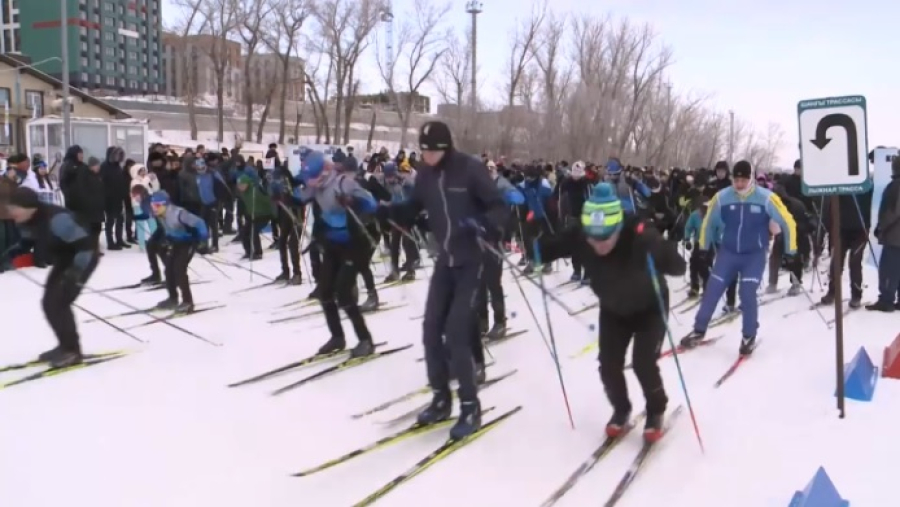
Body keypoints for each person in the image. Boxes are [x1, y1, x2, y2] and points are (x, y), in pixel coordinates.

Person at [387, 120, 510, 440]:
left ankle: (470, 406)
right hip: (446, 259)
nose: (425, 156)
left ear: (444, 148)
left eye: (431, 151)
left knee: (456, 330)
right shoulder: (426, 174)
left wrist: (483, 225)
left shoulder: (469, 169)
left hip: (472, 259)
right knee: (430, 329)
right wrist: (385, 210)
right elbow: (414, 207)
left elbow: (499, 207)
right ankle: (441, 398)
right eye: (423, 150)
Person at [536, 182, 685, 442]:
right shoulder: (582, 235)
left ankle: (656, 409)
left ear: (617, 227)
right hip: (614, 309)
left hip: (650, 308)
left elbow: (678, 266)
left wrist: (659, 249)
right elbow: (545, 249)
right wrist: (534, 244)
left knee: (642, 362)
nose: (598, 244)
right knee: (608, 365)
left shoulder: (637, 234)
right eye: (593, 238)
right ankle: (621, 409)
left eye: (605, 238)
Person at [681, 160, 797, 355]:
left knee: (747, 292)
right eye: (736, 180)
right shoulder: (722, 197)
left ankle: (748, 335)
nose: (740, 184)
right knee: (712, 290)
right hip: (728, 252)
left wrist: (791, 251)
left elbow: (788, 222)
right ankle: (699, 330)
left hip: (754, 254)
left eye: (744, 180)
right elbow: (708, 222)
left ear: (751, 179)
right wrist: (704, 247)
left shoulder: (766, 198)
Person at [292, 151, 379, 357]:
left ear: (323, 172)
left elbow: (371, 203)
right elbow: (301, 198)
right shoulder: (316, 187)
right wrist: (284, 195)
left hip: (354, 244)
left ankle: (366, 340)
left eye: (312, 179)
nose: (310, 183)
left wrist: (351, 201)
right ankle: (337, 337)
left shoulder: (343, 183)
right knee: (325, 291)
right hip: (333, 244)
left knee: (344, 293)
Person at [4, 186, 101, 368]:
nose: (11, 213)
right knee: (49, 303)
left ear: (28, 206)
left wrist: (75, 272)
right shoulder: (26, 220)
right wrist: (11, 253)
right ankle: (64, 346)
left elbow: (86, 245)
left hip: (83, 258)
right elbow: (27, 241)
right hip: (65, 259)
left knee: (59, 302)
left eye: (14, 209)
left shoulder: (57, 219)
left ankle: (72, 351)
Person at [149, 190, 210, 313]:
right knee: (169, 270)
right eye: (152, 206)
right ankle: (173, 298)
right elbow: (169, 229)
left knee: (179, 270)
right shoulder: (161, 214)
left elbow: (200, 223)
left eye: (156, 206)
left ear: (164, 204)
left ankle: (188, 302)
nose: (154, 208)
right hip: (176, 243)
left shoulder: (179, 213)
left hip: (188, 242)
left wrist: (203, 240)